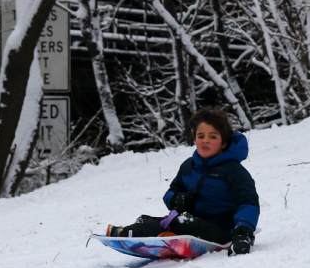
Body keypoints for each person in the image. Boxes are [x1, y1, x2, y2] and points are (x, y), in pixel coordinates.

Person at [106, 107, 260, 255]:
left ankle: (161, 236)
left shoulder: (233, 171)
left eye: (213, 137)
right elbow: (171, 192)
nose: (205, 141)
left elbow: (248, 202)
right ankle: (128, 232)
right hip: (189, 221)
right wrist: (176, 199)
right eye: (201, 136)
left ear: (223, 143)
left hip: (222, 229)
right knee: (158, 221)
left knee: (179, 223)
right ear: (195, 139)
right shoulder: (189, 166)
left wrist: (243, 231)